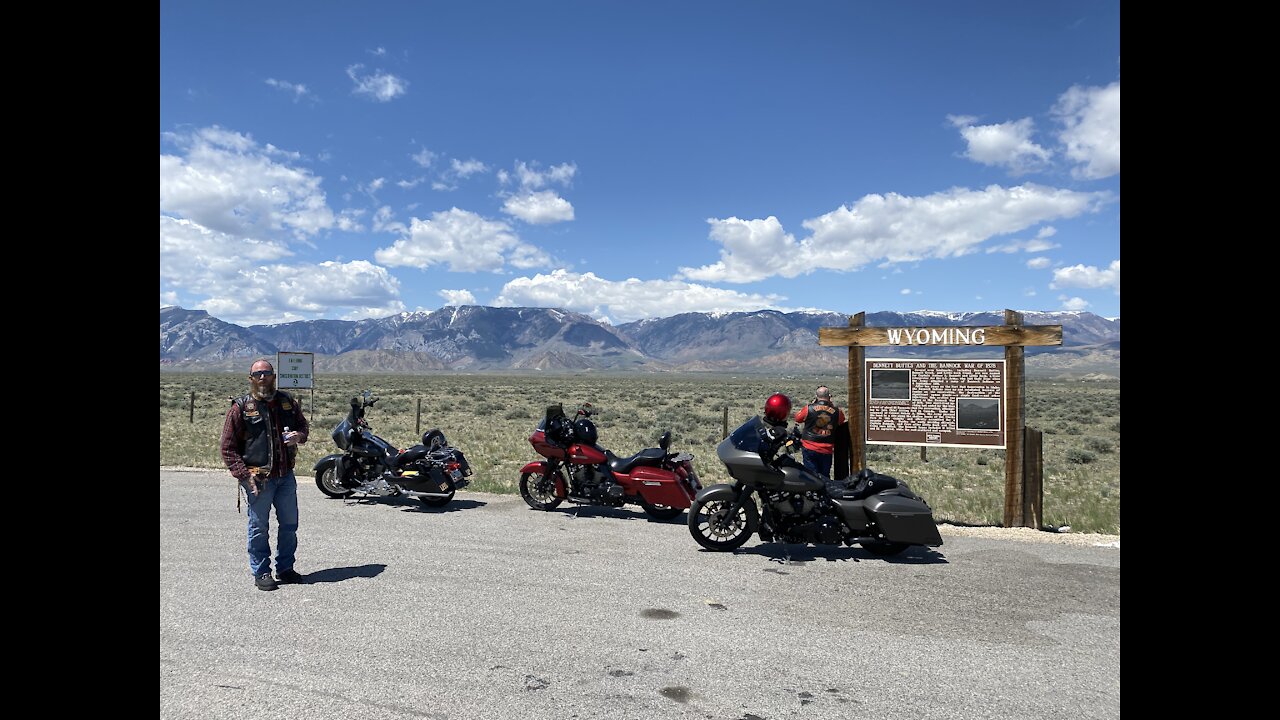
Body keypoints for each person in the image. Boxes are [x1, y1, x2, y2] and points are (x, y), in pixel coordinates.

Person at [220, 359, 310, 591]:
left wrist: (298, 436)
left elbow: (303, 427)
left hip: (285, 476)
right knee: (259, 527)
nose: (263, 378)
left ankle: (285, 568)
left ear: (274, 376)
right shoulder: (241, 407)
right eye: (257, 374)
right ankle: (261, 571)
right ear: (250, 378)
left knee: (290, 524)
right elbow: (228, 448)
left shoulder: (287, 402)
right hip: (258, 478)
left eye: (267, 373)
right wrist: (244, 476)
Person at [792, 386, 847, 480]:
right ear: (829, 396)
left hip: (809, 447)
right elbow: (841, 421)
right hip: (827, 449)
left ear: (816, 396)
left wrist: (812, 404)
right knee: (825, 477)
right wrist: (830, 405)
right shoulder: (838, 412)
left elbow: (798, 418)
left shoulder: (809, 408)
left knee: (811, 477)